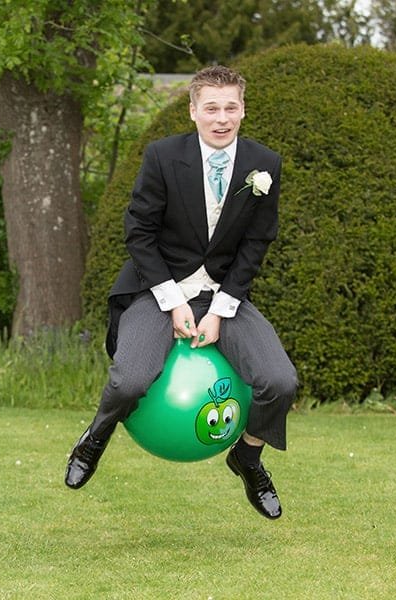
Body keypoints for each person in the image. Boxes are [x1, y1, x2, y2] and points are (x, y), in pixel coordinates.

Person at [64, 65, 298, 519]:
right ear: (193, 111)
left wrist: (221, 310)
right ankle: (95, 437)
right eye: (211, 108)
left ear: (243, 109)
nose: (222, 117)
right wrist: (172, 302)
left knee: (280, 382)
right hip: (157, 291)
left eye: (231, 107)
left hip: (221, 296)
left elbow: (255, 244)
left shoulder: (264, 165)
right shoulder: (162, 156)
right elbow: (139, 234)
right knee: (130, 379)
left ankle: (248, 458)